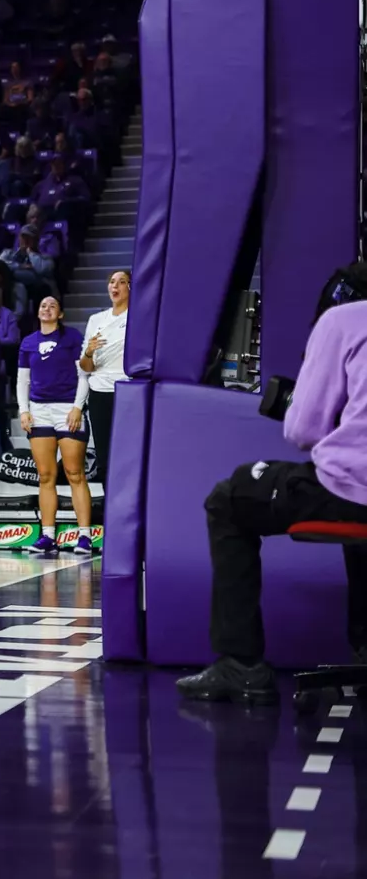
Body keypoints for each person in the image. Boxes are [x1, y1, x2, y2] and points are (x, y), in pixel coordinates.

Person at [179, 274, 367, 703]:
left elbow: (304, 429)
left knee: (228, 498)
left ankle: (240, 664)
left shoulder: (343, 320)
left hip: (351, 490)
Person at [17, 296, 94, 557]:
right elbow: (22, 381)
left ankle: (84, 536)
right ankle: (47, 535)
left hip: (67, 408)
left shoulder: (72, 337)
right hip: (39, 411)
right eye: (42, 305)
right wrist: (24, 410)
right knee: (46, 476)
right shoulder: (28, 342)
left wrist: (77, 407)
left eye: (52, 305)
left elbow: (84, 374)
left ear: (60, 314)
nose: (46, 308)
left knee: (74, 473)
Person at [80, 269, 130, 482]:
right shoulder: (96, 320)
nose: (115, 286)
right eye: (112, 282)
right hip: (99, 393)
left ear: (130, 288)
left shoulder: (137, 319)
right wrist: (89, 351)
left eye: (121, 282)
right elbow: (85, 367)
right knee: (104, 455)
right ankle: (108, 506)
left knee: (127, 452)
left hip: (127, 391)